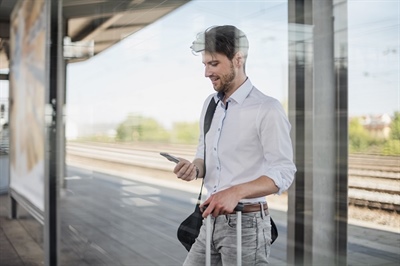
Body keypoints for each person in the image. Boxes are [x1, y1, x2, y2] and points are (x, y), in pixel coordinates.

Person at [173, 25, 296, 265]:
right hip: (209, 221)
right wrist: (194, 169)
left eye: (214, 64)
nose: (206, 73)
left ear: (238, 59)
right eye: (205, 65)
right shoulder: (210, 105)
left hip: (246, 227)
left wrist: (235, 192)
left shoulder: (266, 108)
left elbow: (284, 172)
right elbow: (203, 156)